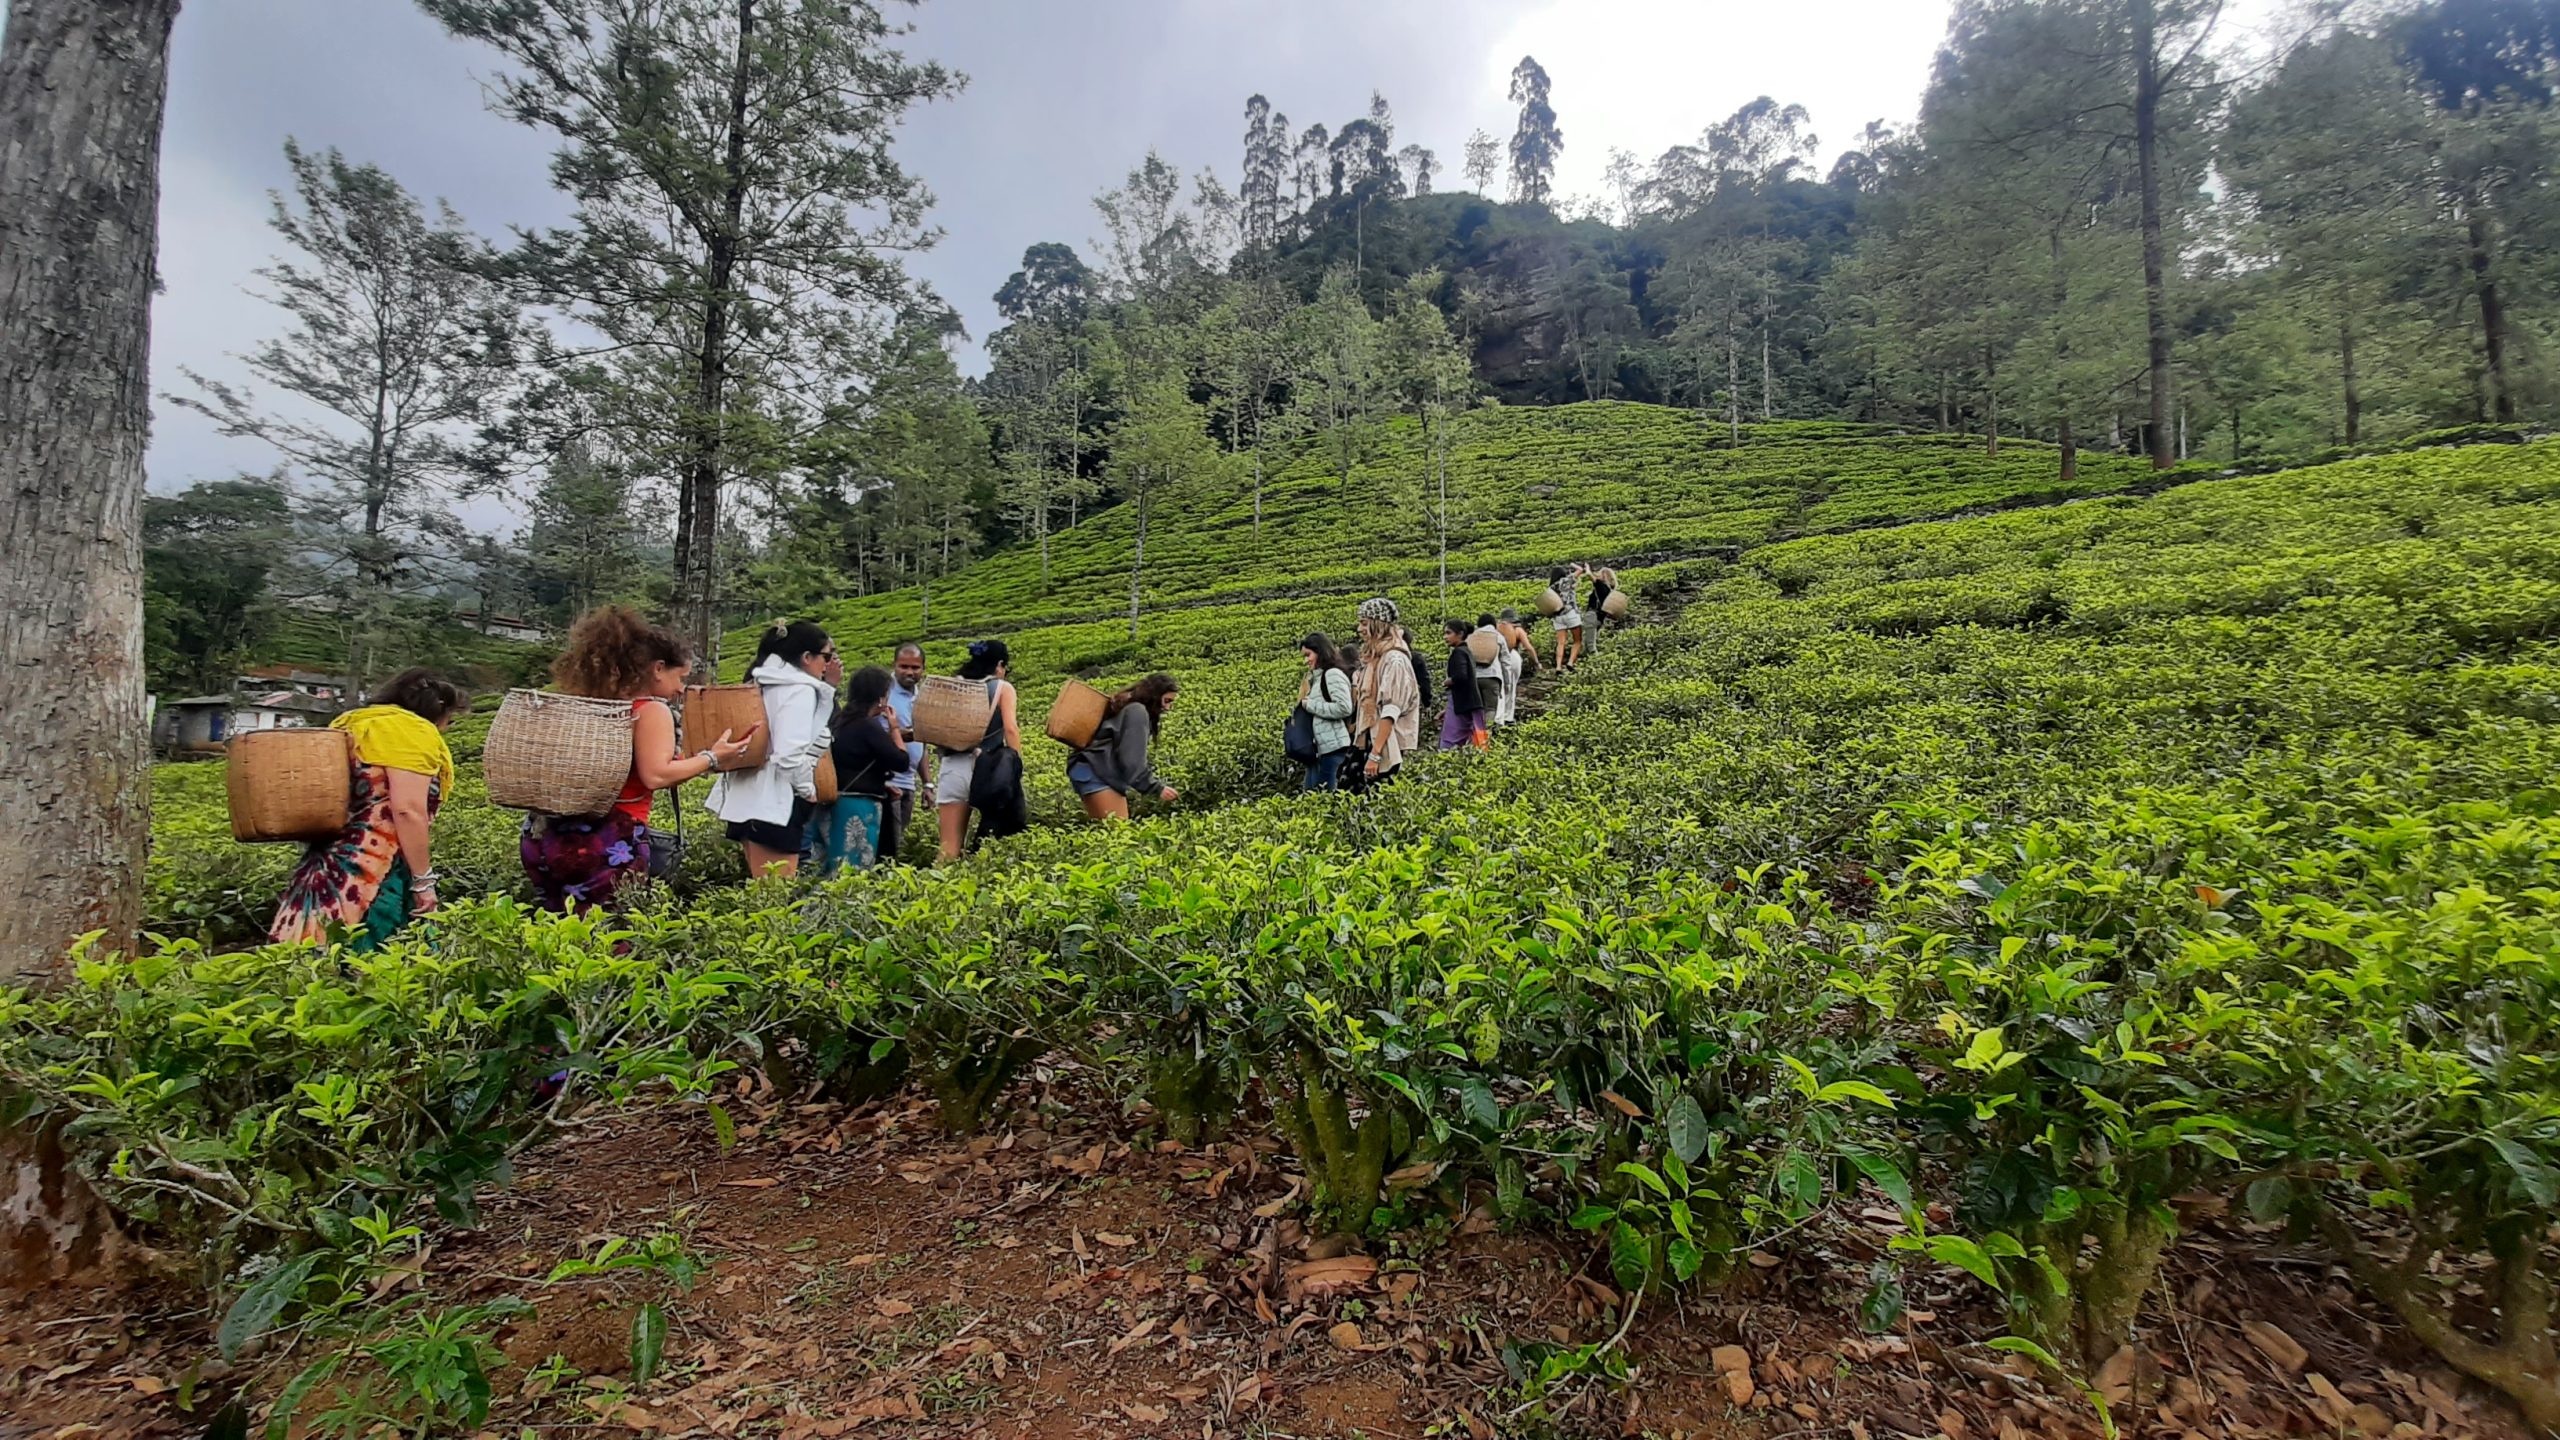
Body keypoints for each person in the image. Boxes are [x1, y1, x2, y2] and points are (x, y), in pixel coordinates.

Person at [528, 607, 754, 914]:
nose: (680, 688)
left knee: (560, 937)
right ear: (658, 668)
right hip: (608, 837)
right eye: (680, 677)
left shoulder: (593, 703)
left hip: (546, 835)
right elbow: (656, 775)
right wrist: (713, 757)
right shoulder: (649, 710)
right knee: (611, 938)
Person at [269, 668, 469, 951]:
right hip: (374, 868)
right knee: (380, 965)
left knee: (310, 959)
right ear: (438, 710)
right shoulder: (409, 731)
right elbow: (407, 810)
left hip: (325, 864)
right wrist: (424, 881)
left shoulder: (349, 724)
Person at [708, 620, 838, 879]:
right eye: (826, 656)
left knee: (763, 894)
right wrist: (808, 790)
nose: (829, 663)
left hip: (747, 795)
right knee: (775, 899)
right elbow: (789, 754)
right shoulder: (799, 690)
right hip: (775, 802)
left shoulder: (763, 681)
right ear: (806, 657)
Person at [811, 665, 910, 876]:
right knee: (854, 867)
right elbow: (901, 761)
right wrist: (894, 728)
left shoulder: (838, 721)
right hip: (858, 803)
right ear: (881, 697)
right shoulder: (867, 726)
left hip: (831, 799)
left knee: (827, 866)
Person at [936, 639, 1022, 861]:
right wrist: (1015, 764)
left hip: (952, 768)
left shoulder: (954, 685)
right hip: (986, 768)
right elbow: (1011, 729)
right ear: (999, 665)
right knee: (990, 847)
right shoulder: (1002, 688)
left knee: (948, 849)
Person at [1069, 674, 1181, 820]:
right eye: (1166, 701)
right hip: (1098, 773)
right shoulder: (1137, 712)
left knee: (1106, 833)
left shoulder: (1125, 704)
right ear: (1155, 695)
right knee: (1119, 834)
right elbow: (1131, 759)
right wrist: (1155, 788)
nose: (1167, 708)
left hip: (1086, 770)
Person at [1353, 598, 1422, 786]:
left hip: (1389, 747)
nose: (1359, 629)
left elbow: (1391, 710)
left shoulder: (1394, 660)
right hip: (1375, 741)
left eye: (1364, 623)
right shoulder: (1376, 659)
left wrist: (1375, 755)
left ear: (1378, 625)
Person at [882, 643, 930, 863]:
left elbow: (923, 745)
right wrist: (905, 735)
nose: (910, 672)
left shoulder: (922, 696)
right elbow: (873, 732)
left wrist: (927, 784)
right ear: (894, 665)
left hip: (909, 782)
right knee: (887, 845)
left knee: (899, 842)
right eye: (904, 666)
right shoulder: (884, 692)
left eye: (915, 667)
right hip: (888, 781)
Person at [1297, 632, 1358, 792]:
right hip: (1319, 749)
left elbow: (1344, 707)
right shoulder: (1317, 677)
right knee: (1312, 797)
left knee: (1326, 798)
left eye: (1308, 655)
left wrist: (1310, 705)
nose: (1306, 660)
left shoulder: (1332, 674)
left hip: (1333, 748)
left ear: (1320, 651)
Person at [1439, 618, 1488, 750]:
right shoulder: (1466, 651)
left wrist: (1449, 681)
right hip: (1470, 702)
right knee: (1477, 737)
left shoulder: (1459, 652)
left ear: (1460, 634)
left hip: (1462, 704)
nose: (1445, 637)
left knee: (1450, 740)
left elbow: (1461, 676)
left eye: (1448, 633)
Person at [1494, 609, 1532, 726]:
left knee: (1500, 689)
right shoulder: (1517, 629)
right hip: (1513, 657)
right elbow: (1529, 647)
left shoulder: (1496, 628)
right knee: (1511, 687)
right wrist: (1536, 663)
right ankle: (1508, 717)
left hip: (1498, 658)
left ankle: (1498, 719)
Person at [1549, 564, 1588, 672]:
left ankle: (1558, 666)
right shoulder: (1566, 581)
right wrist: (1572, 564)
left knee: (1561, 642)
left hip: (1558, 617)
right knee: (1577, 640)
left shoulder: (1551, 587)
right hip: (1570, 613)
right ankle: (1570, 662)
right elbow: (1580, 570)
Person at [1469, 614, 1506, 722]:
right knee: (1490, 709)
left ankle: (1475, 736)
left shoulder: (1472, 636)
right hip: (1492, 678)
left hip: (1474, 678)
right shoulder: (1498, 636)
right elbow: (1506, 662)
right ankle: (1486, 735)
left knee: (1476, 710)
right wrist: (1506, 684)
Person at [1588, 566, 1618, 645]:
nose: (1597, 574)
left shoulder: (1601, 585)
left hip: (1593, 615)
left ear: (1604, 575)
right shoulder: (1609, 589)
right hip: (1600, 617)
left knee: (1590, 643)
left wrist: (1588, 568)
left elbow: (1590, 575)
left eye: (1600, 573)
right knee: (1593, 639)